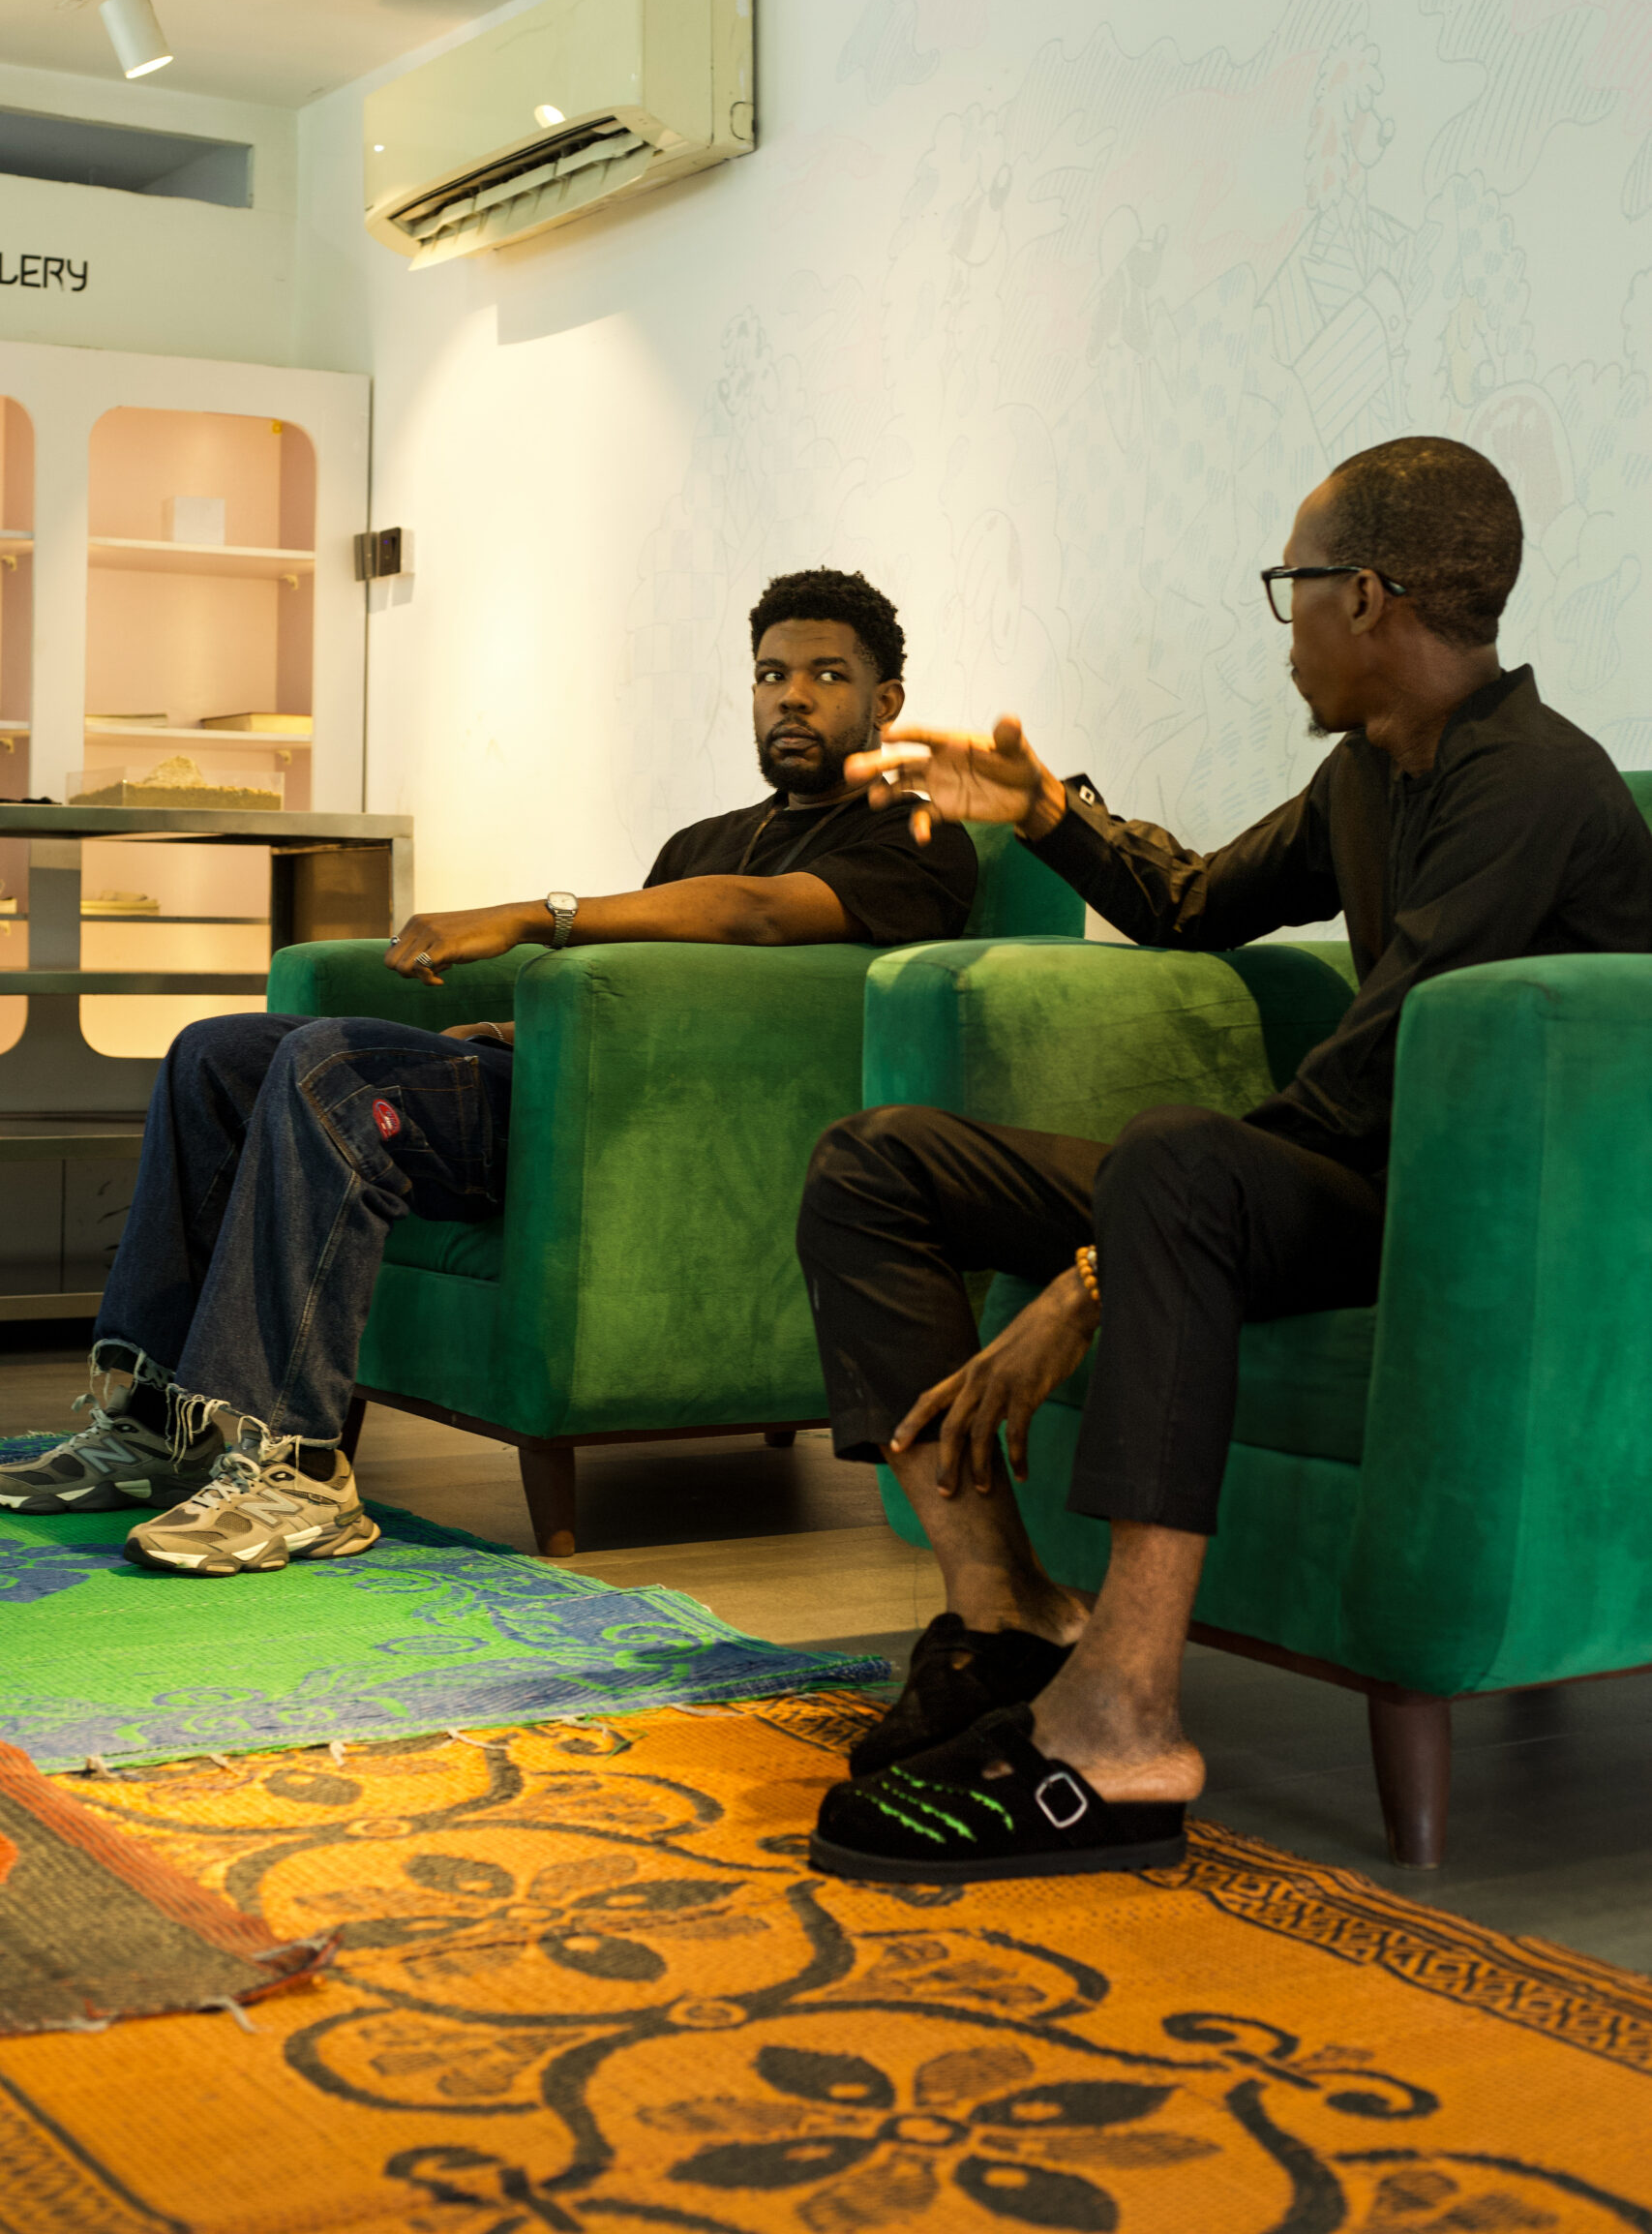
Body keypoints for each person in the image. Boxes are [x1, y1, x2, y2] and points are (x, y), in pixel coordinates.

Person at [798, 437, 1652, 1884]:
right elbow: (1191, 902)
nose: (1285, 621)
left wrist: (1089, 1283)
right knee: (874, 1165)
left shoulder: (1532, 784)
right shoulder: (1369, 771)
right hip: (1341, 1187)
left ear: (1364, 595)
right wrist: (1044, 811)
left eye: (1291, 584)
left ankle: (1124, 1722)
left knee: (1174, 1166)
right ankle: (1004, 1616)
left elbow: (1371, 1074)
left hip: (1470, 1231)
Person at [4, 569, 976, 1575]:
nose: (792, 697)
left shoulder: (917, 840)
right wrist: (518, 1028)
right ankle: (156, 1426)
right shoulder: (705, 841)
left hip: (648, 1141)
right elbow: (649, 992)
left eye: (826, 675)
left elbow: (757, 917)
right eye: (772, 675)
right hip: (563, 1090)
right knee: (216, 1053)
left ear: (886, 701)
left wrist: (527, 916)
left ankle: (299, 1470)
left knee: (331, 1069)